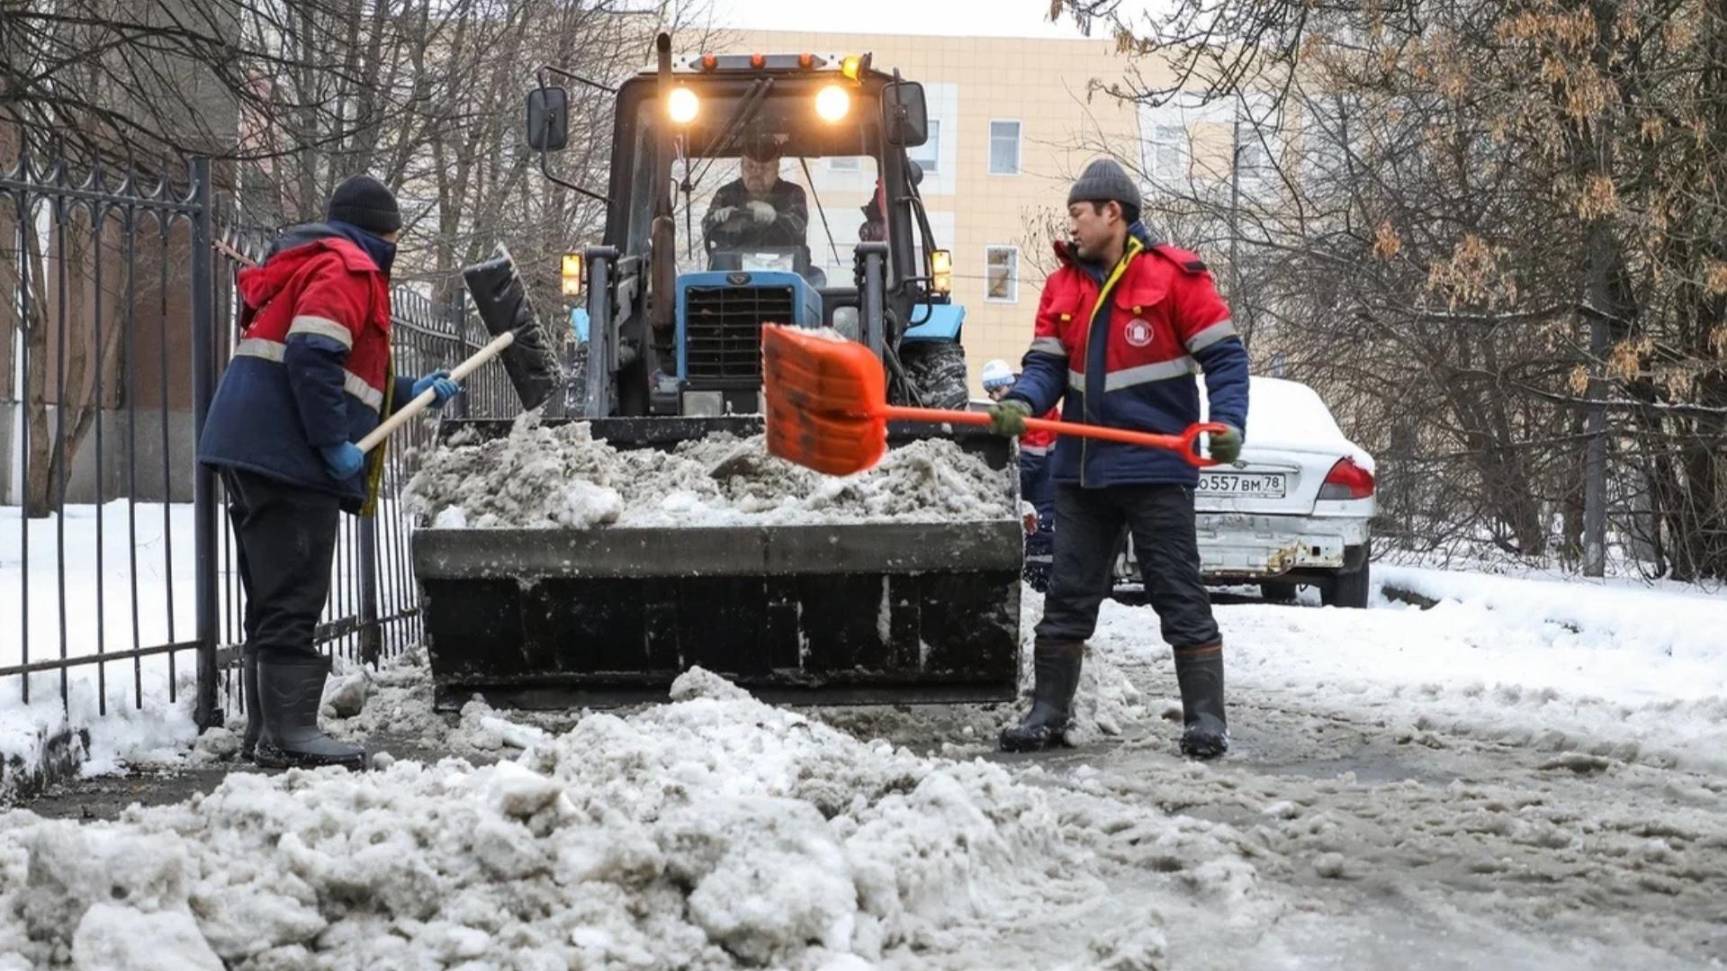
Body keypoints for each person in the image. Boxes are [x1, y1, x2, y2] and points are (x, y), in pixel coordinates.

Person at [197, 175, 462, 770]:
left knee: (272, 590)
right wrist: (333, 442)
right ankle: (288, 734)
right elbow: (313, 354)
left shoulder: (312, 262)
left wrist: (405, 393)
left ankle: (267, 731)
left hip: (254, 446)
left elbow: (339, 374)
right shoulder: (348, 268)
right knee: (294, 588)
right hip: (286, 454)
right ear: (382, 231)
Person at [987, 158, 1248, 759]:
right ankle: (1048, 712)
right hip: (1081, 471)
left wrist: (1228, 422)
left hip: (1155, 470)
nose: (1072, 226)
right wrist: (1024, 402)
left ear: (1114, 213)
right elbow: (1048, 366)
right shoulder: (1063, 286)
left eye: (1079, 214)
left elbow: (1226, 360)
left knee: (1177, 592)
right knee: (1068, 597)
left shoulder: (1174, 278)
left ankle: (1206, 719)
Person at [982, 358, 1056, 591]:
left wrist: (1007, 490)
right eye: (990, 392)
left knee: (1042, 527)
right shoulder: (1018, 406)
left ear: (1010, 384)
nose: (994, 397)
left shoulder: (1032, 406)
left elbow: (1033, 457)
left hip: (1048, 475)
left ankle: (1041, 584)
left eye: (997, 389)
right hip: (1042, 472)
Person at [702, 135, 809, 252]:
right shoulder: (727, 193)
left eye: (764, 168)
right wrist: (719, 218)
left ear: (776, 169)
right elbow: (706, 226)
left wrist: (774, 217)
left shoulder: (792, 193)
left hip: (784, 265)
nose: (756, 173)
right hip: (733, 266)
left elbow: (798, 225)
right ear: (741, 167)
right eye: (750, 166)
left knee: (816, 272)